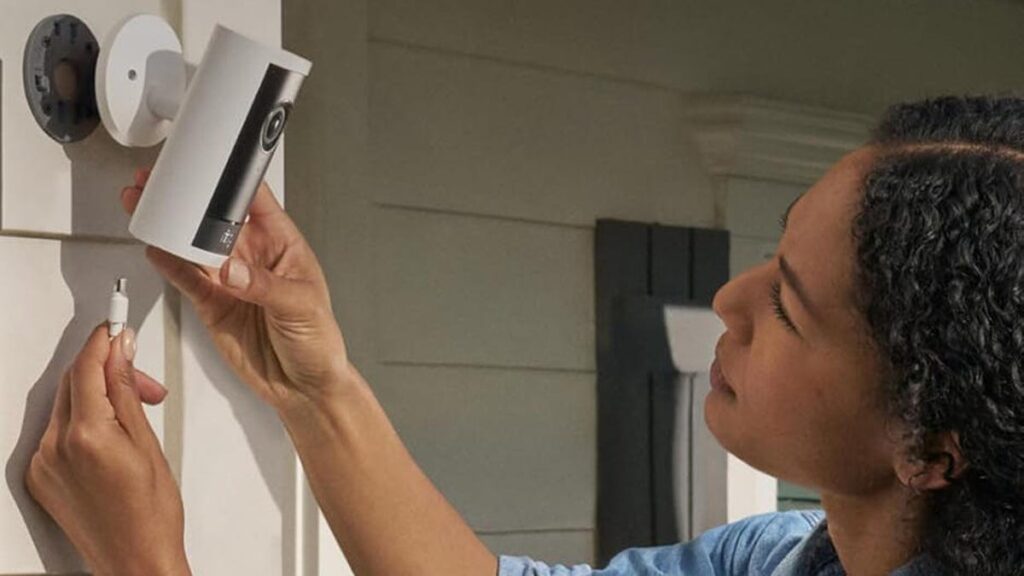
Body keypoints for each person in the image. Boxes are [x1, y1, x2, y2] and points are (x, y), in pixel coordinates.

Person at [22, 95, 1024, 575]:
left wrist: (142, 565)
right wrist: (309, 381)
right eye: (771, 253)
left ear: (931, 446)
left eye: (791, 307)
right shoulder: (781, 560)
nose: (729, 299)